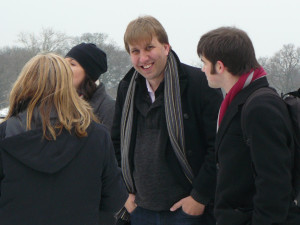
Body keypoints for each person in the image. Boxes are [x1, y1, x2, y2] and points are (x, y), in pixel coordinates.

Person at [111, 16, 223, 225]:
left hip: (186, 211)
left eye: (149, 48)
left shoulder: (198, 84)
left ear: (166, 47)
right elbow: (115, 144)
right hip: (139, 211)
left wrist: (199, 197)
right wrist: (123, 193)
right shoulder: (127, 88)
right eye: (135, 51)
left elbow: (218, 147)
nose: (143, 58)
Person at [0, 53, 128, 225]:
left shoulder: (5, 134)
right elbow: (115, 198)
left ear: (24, 84)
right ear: (68, 86)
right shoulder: (97, 136)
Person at [197, 27, 300, 225]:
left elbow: (274, 183)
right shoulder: (241, 100)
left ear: (219, 66)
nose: (202, 69)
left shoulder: (260, 107)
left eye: (204, 62)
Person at [65, 43, 115, 131]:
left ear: (89, 72)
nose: (64, 68)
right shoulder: (57, 102)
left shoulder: (109, 108)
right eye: (63, 63)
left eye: (72, 64)